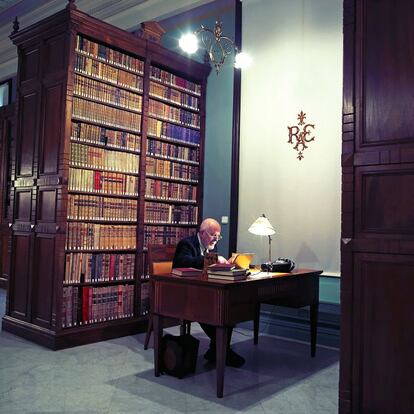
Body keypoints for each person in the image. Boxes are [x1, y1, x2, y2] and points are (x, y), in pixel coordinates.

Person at [173, 218, 245, 368]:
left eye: (218, 236)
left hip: (201, 291)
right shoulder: (187, 244)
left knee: (226, 310)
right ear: (202, 233)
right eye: (213, 235)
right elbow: (183, 261)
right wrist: (211, 259)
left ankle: (217, 350)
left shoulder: (209, 246)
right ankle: (222, 351)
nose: (216, 239)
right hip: (184, 293)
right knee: (211, 310)